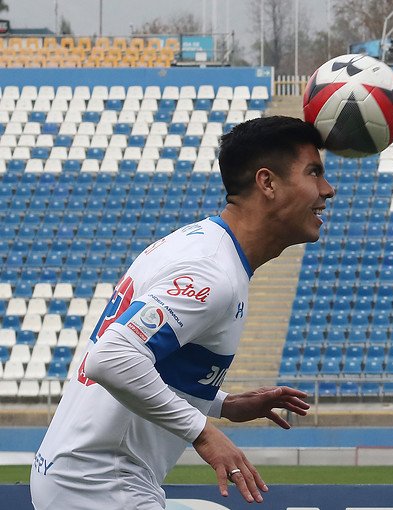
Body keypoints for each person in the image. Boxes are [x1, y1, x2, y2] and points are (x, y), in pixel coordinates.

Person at [31, 116, 335, 509]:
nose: (328, 190)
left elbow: (148, 365)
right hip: (99, 486)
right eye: (314, 173)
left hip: (80, 475)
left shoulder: (200, 246)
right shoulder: (211, 272)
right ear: (268, 183)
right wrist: (205, 434)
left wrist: (225, 405)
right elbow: (110, 359)